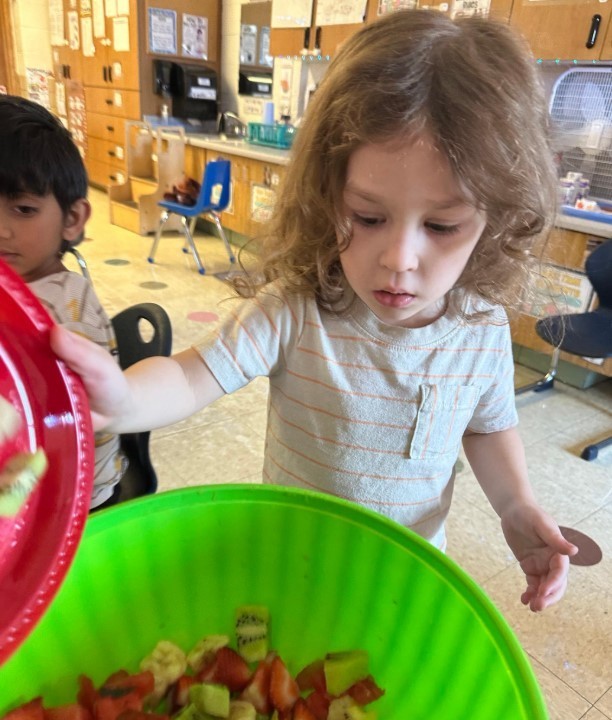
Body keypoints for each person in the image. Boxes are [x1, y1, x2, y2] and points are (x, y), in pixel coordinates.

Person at [52, 10, 578, 609]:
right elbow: (192, 373)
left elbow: (487, 425)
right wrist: (124, 401)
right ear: (328, 196)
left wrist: (516, 506)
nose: (398, 258)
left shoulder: (480, 327)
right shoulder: (298, 310)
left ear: (496, 221)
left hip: (402, 577)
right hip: (290, 566)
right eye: (368, 217)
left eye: (442, 225)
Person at [0, 95, 125, 510]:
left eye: (23, 209)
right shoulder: (16, 286)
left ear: (72, 219)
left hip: (73, 505)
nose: (2, 230)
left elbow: (49, 433)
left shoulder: (59, 314)